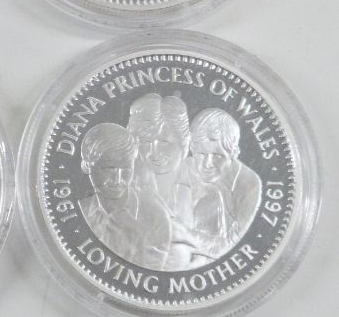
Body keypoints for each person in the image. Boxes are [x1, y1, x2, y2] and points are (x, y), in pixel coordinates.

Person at [78, 122, 170, 270]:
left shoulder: (155, 216)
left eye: (126, 168)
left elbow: (150, 274)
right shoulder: (80, 211)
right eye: (109, 168)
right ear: (87, 165)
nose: (117, 179)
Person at [127, 93, 198, 270]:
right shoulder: (122, 189)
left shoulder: (204, 188)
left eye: (165, 141)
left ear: (183, 141)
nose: (154, 152)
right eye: (146, 142)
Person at [183, 108, 262, 265]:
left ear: (234, 153)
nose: (207, 164)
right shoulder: (183, 169)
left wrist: (179, 235)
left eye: (218, 156)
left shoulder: (249, 184)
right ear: (192, 148)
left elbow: (231, 247)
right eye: (201, 154)